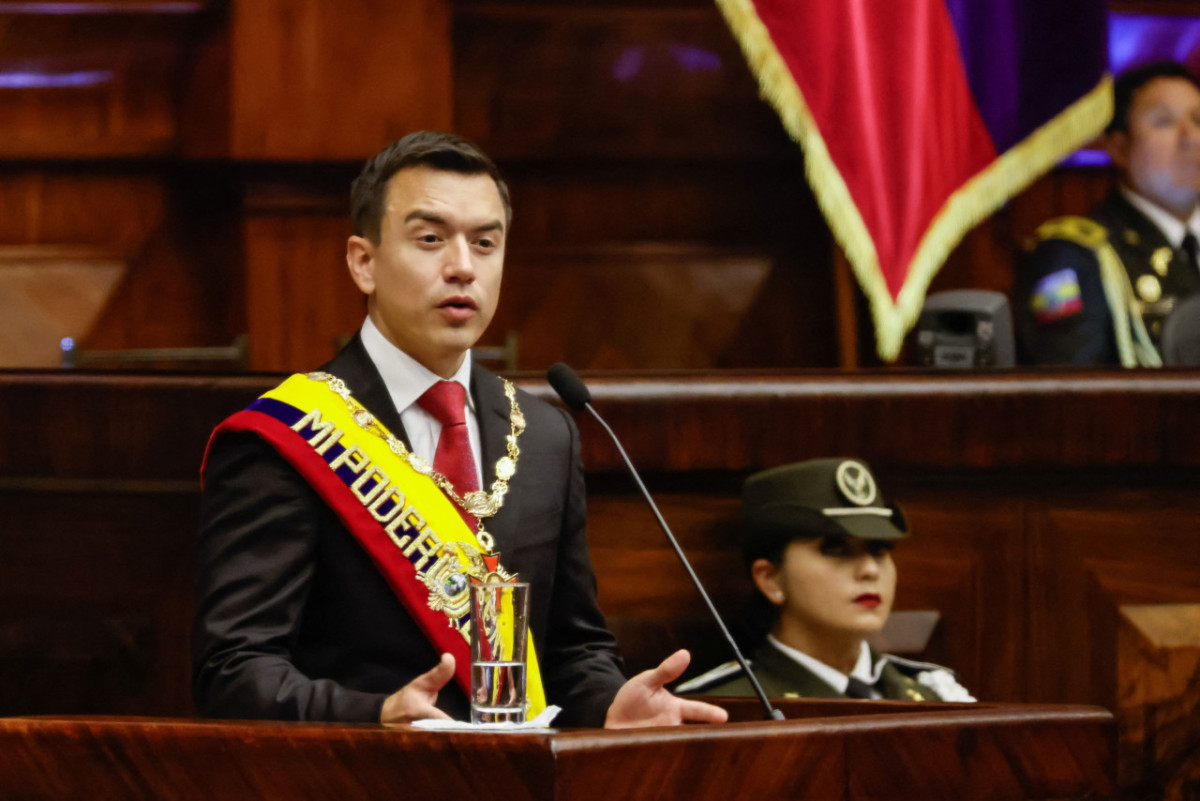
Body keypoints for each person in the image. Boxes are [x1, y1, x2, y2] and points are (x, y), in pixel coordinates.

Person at [193, 131, 727, 729]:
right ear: (362, 262)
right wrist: (377, 715)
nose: (463, 267)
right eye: (430, 240)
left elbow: (573, 650)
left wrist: (609, 704)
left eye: (485, 243)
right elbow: (235, 669)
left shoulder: (548, 435)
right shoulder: (285, 438)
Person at [677, 459, 973, 702]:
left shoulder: (936, 693)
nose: (870, 569)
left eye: (879, 549)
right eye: (836, 548)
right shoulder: (722, 706)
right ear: (771, 579)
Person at [1014, 61, 1200, 367]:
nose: (1191, 137)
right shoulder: (1074, 257)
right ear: (1119, 147)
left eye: (1199, 120)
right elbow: (1073, 400)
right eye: (1164, 121)